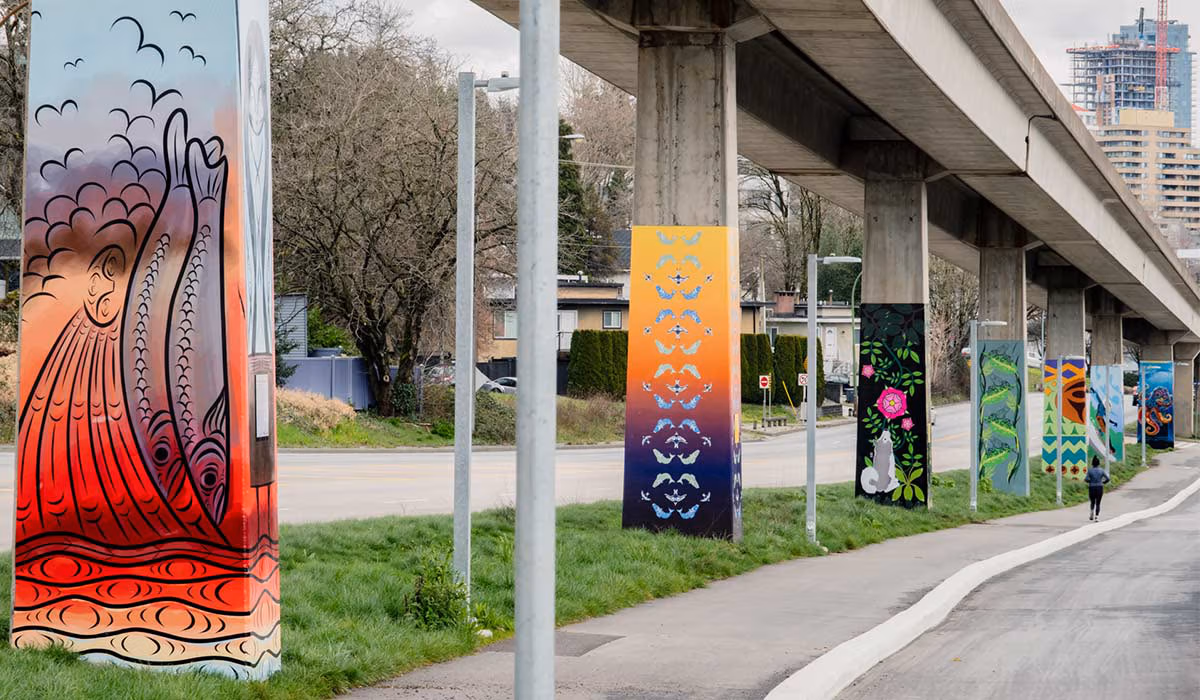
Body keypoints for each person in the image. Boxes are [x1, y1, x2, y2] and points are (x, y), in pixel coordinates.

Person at [1084, 456, 1110, 521]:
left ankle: (1091, 512)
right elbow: (1108, 479)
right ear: (1098, 463)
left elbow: (1086, 479)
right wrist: (1103, 482)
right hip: (1099, 487)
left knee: (1092, 502)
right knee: (1098, 502)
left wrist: (1091, 481)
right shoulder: (1101, 470)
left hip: (1092, 487)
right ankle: (1097, 517)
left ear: (1092, 463)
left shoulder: (1090, 470)